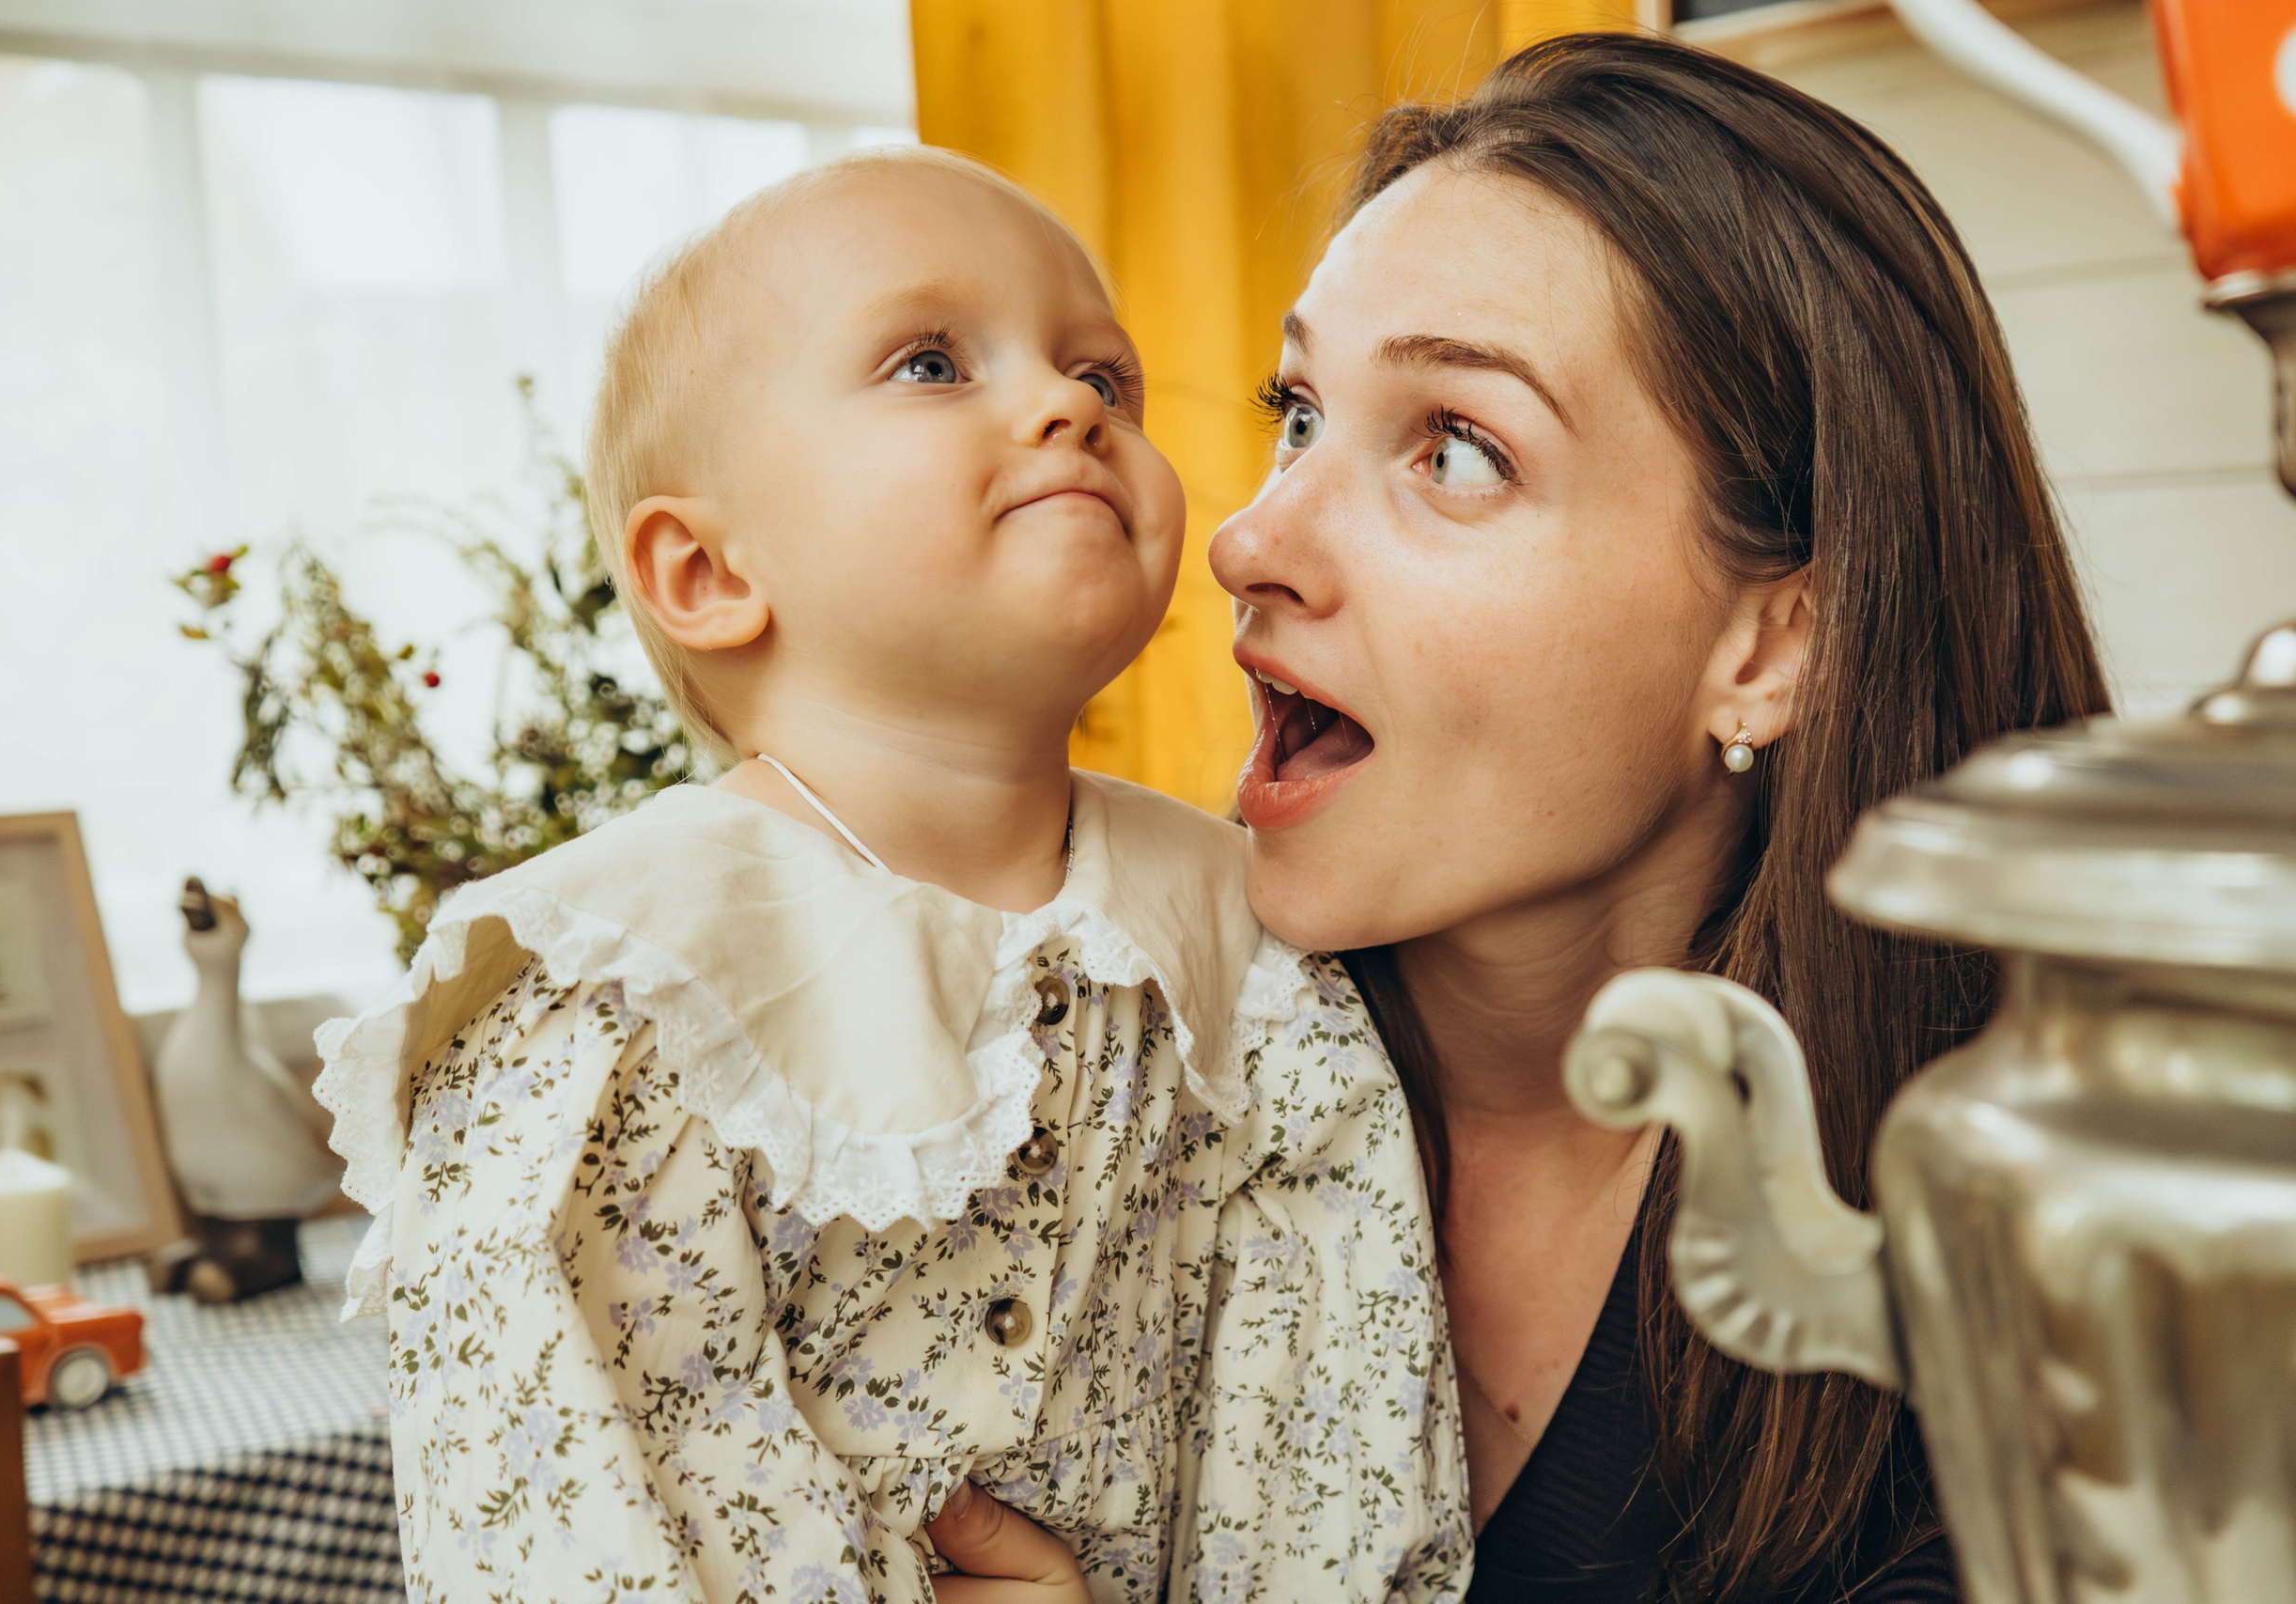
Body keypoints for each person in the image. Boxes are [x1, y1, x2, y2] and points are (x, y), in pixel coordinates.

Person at [312, 147, 1470, 1604]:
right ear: (705, 574)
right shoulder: (620, 986)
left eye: (1106, 379)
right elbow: (570, 1525)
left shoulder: (1248, 945)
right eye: (930, 363)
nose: (1068, 406)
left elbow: (1341, 1444)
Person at [1210, 31, 2109, 1604]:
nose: (1249, 538)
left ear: (1769, 648)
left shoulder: (2028, 1273)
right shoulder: (1121, 1093)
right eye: (1297, 412)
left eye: (1459, 449)